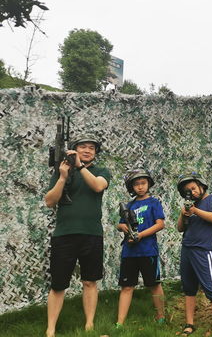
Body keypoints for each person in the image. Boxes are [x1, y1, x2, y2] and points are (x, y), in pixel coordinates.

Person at [44, 136, 111, 337]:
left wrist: (81, 167)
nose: (88, 150)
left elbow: (98, 186)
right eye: (83, 147)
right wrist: (63, 177)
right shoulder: (62, 171)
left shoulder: (101, 171)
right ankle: (51, 329)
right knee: (58, 284)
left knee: (90, 281)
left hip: (92, 234)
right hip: (64, 235)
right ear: (74, 150)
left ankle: (89, 324)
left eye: (92, 148)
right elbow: (49, 201)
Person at [176, 172, 212, 336]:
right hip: (187, 248)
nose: (191, 192)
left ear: (201, 185)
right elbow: (180, 228)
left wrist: (195, 210)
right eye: (187, 191)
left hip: (204, 250)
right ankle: (189, 324)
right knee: (189, 288)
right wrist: (184, 214)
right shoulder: (188, 204)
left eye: (193, 188)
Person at [115, 169, 166, 328]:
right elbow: (120, 224)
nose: (140, 187)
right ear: (131, 187)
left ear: (148, 184)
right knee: (127, 286)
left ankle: (161, 316)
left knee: (154, 284)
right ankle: (120, 322)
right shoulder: (128, 205)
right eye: (136, 184)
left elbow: (160, 224)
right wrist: (123, 227)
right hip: (129, 252)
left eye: (143, 183)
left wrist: (141, 235)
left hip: (148, 250)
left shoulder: (154, 202)